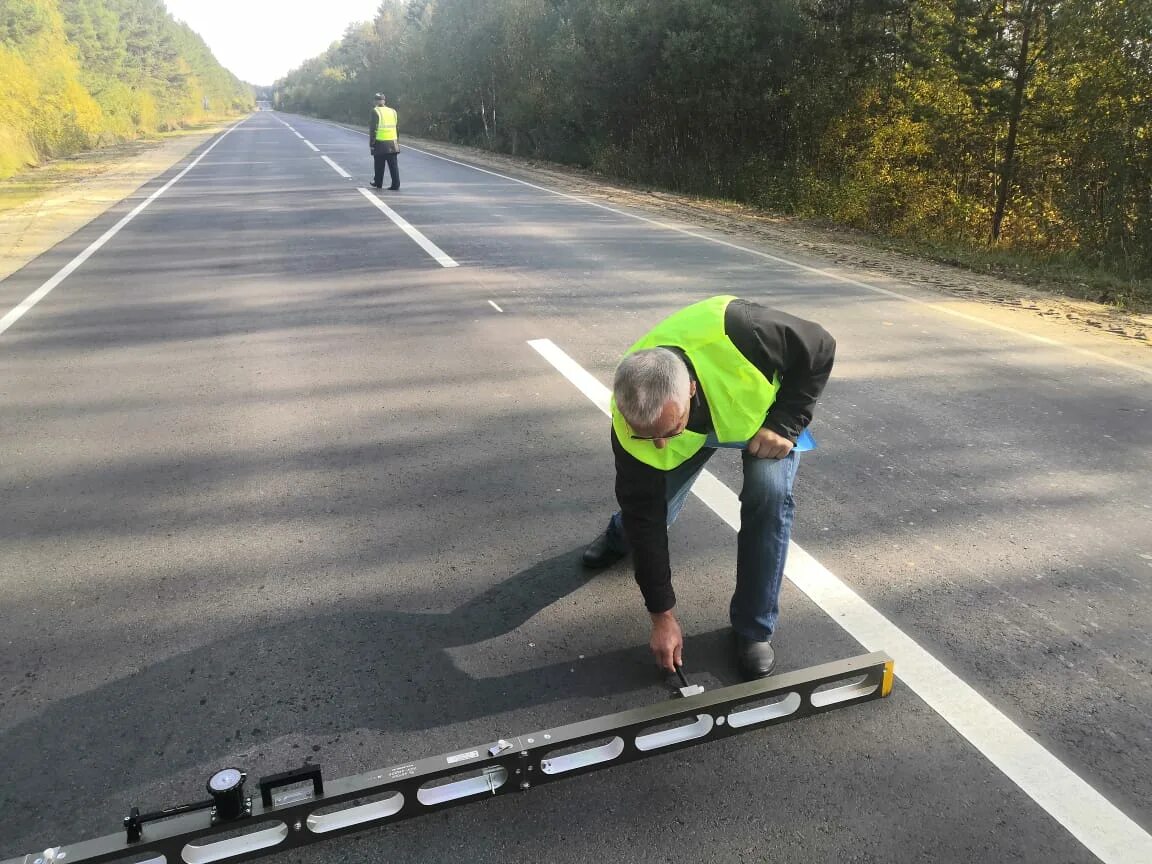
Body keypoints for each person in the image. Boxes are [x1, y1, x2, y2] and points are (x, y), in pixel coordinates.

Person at [581, 295, 835, 680]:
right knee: (647, 512)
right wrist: (661, 617)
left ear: (691, 392)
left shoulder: (747, 331)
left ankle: (753, 629)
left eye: (668, 430)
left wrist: (786, 422)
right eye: (647, 436)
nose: (661, 444)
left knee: (768, 498)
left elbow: (820, 344)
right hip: (698, 421)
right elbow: (644, 512)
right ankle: (620, 538)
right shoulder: (631, 418)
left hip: (759, 418)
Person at [368, 93, 400, 191]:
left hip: (380, 142)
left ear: (375, 101)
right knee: (393, 166)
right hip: (393, 142)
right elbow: (397, 127)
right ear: (384, 101)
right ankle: (396, 185)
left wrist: (372, 143)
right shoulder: (393, 111)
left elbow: (373, 129)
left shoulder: (375, 111)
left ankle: (378, 183)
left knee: (379, 165)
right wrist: (397, 141)